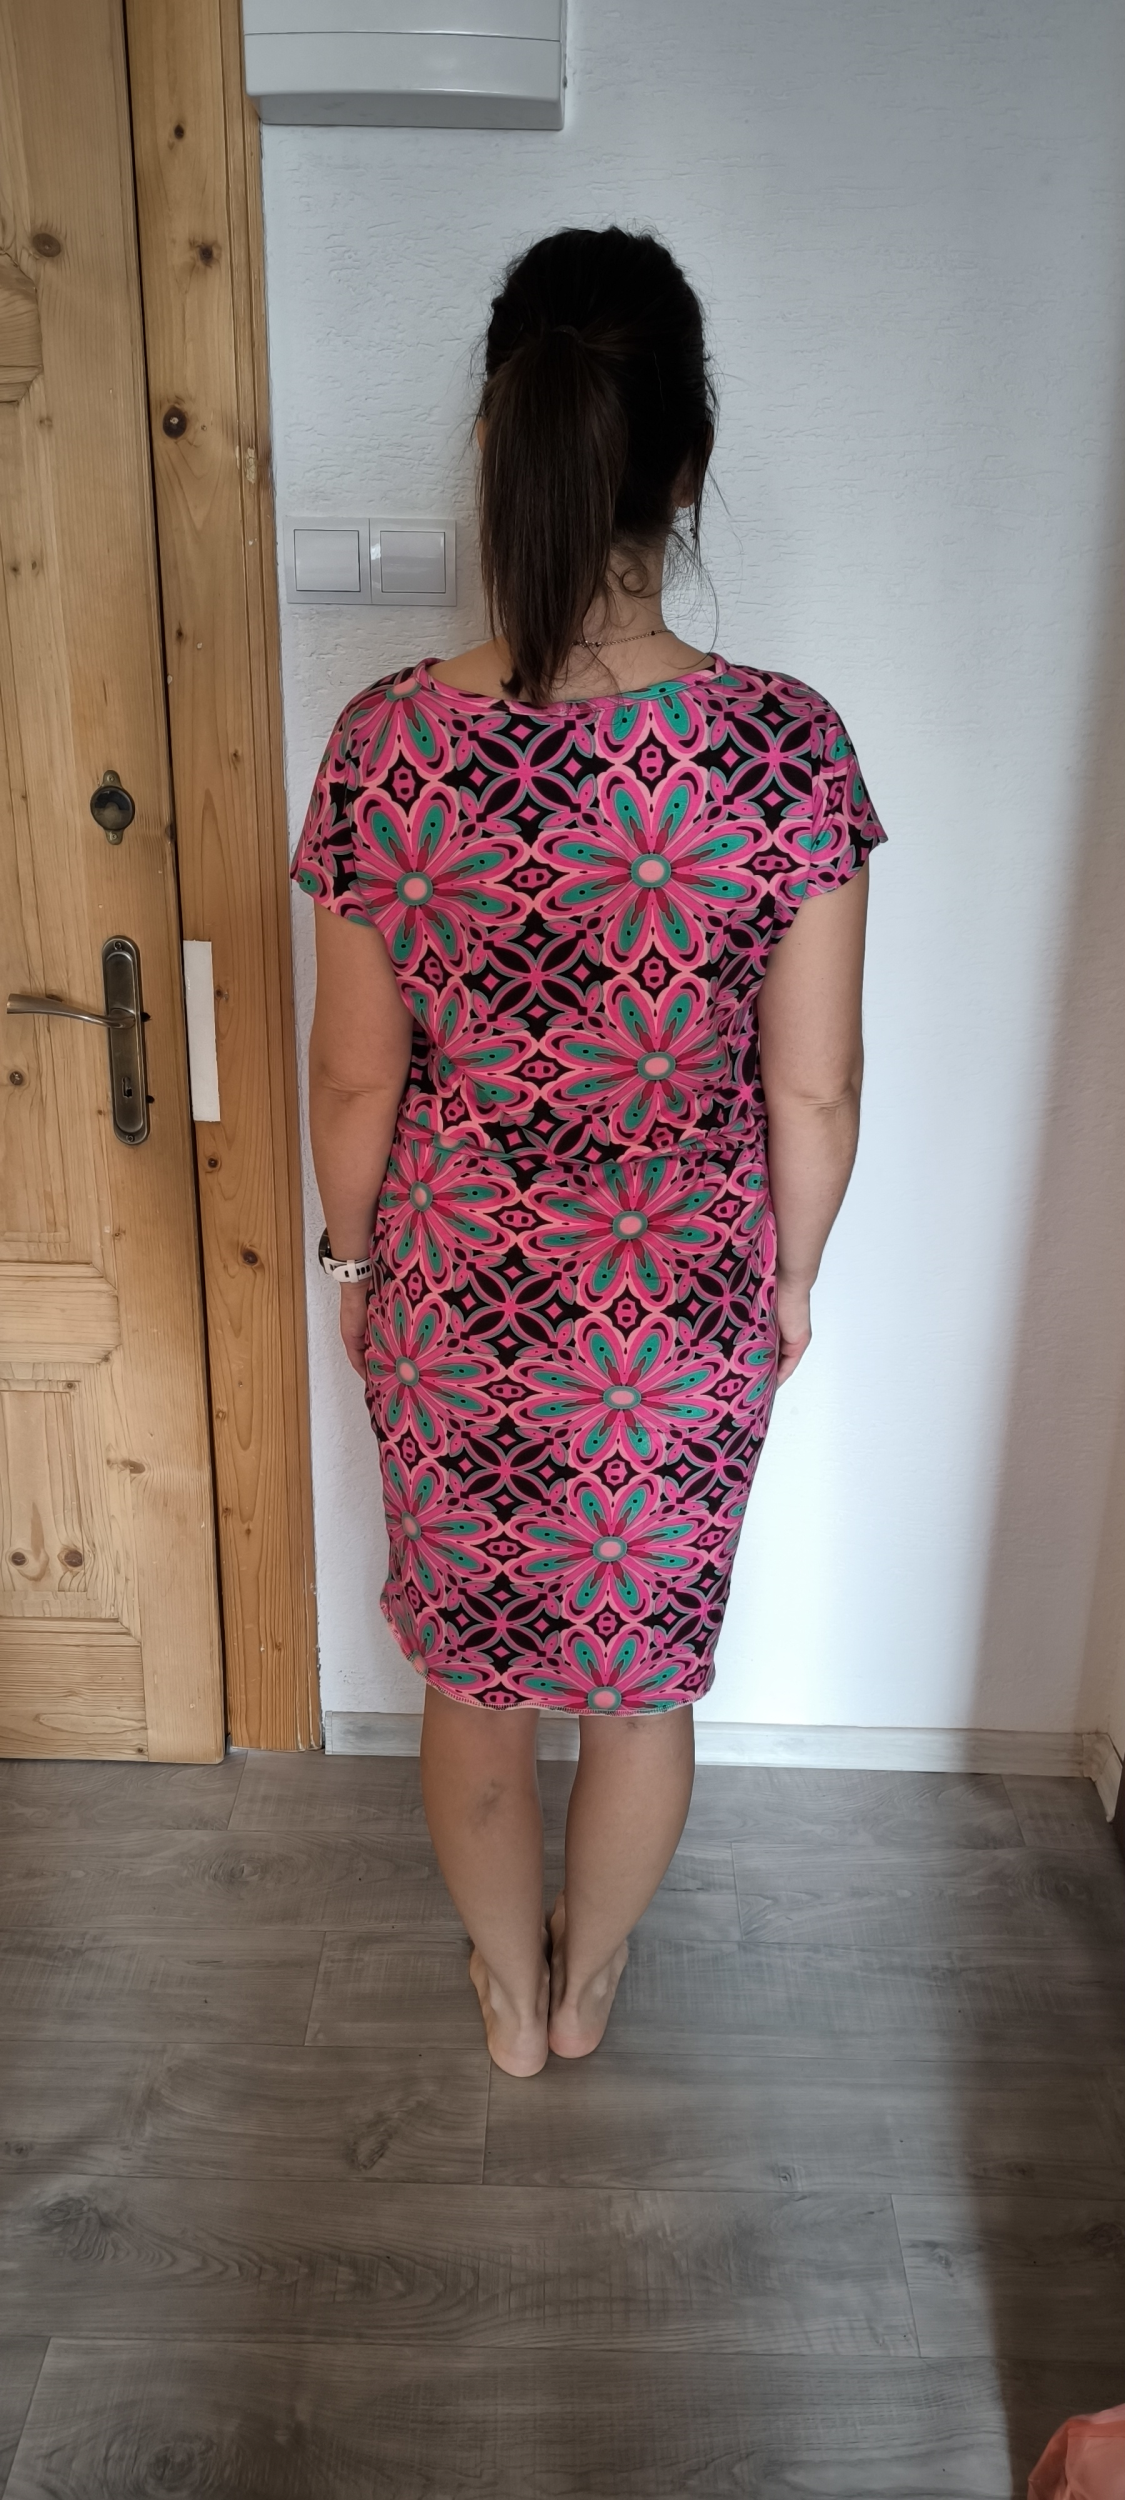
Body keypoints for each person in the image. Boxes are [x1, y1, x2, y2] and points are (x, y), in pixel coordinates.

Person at [293, 224, 886, 2077]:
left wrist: (356, 1262)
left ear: (501, 443)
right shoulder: (787, 753)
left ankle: (503, 1997)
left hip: (458, 1293)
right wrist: (789, 1280)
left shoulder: (386, 748)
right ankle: (589, 1979)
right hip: (680, 1306)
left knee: (471, 1683)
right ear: (686, 466)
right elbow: (815, 1090)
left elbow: (353, 1084)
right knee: (640, 1690)